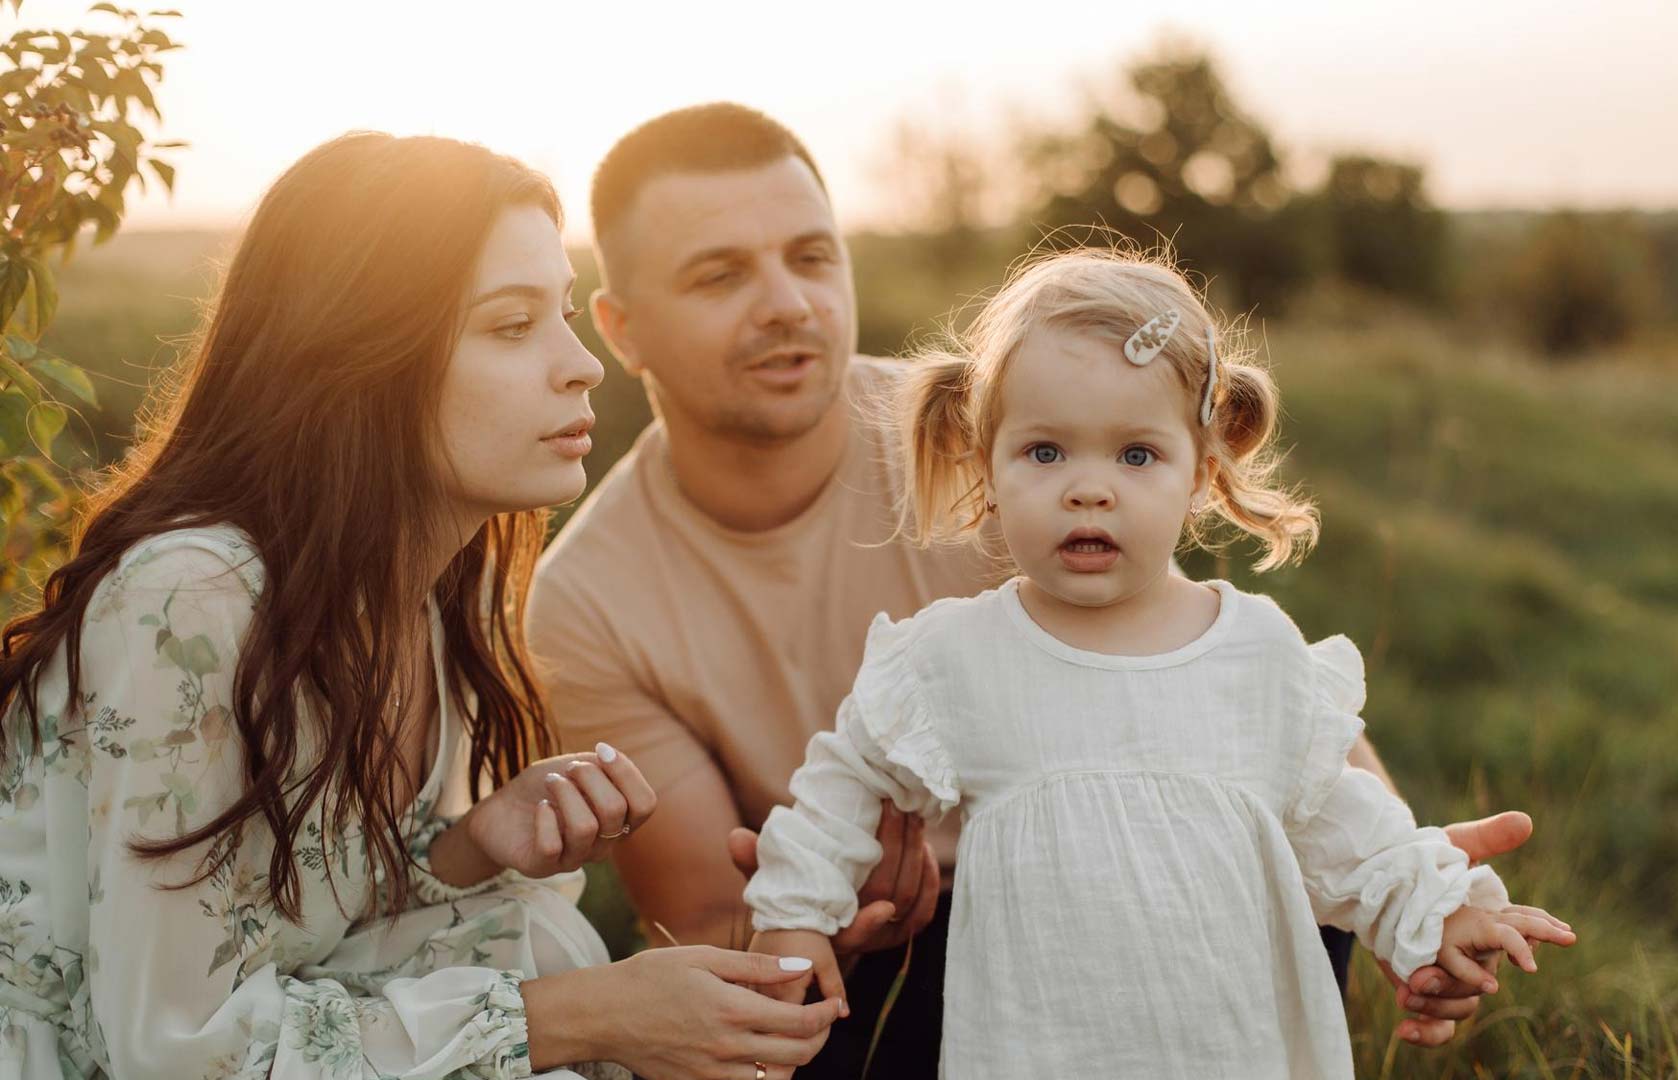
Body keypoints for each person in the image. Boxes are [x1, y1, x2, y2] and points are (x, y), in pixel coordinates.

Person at [530, 103, 1533, 1075]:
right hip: (880, 952)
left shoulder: (1028, 421)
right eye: (718, 274)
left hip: (1171, 908)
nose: (789, 303)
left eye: (811, 255)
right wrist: (836, 917)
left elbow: (1226, 687)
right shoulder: (587, 599)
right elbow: (714, 922)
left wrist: (1418, 887)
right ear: (621, 328)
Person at [0, 132, 839, 1080]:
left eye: (564, 316)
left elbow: (303, 928)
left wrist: (468, 850)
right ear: (362, 357)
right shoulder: (191, 598)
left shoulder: (438, 588)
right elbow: (170, 1048)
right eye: (512, 326)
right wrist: (574, 1018)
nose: (582, 366)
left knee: (517, 919)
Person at [742, 248, 1577, 1078]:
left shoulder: (1255, 651)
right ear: (986, 466)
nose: (1088, 489)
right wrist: (796, 914)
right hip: (1037, 1048)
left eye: (1136, 456)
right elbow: (843, 782)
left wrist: (1434, 910)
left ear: (1203, 474)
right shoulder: (957, 657)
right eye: (1044, 453)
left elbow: (1342, 823)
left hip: (1230, 1047)